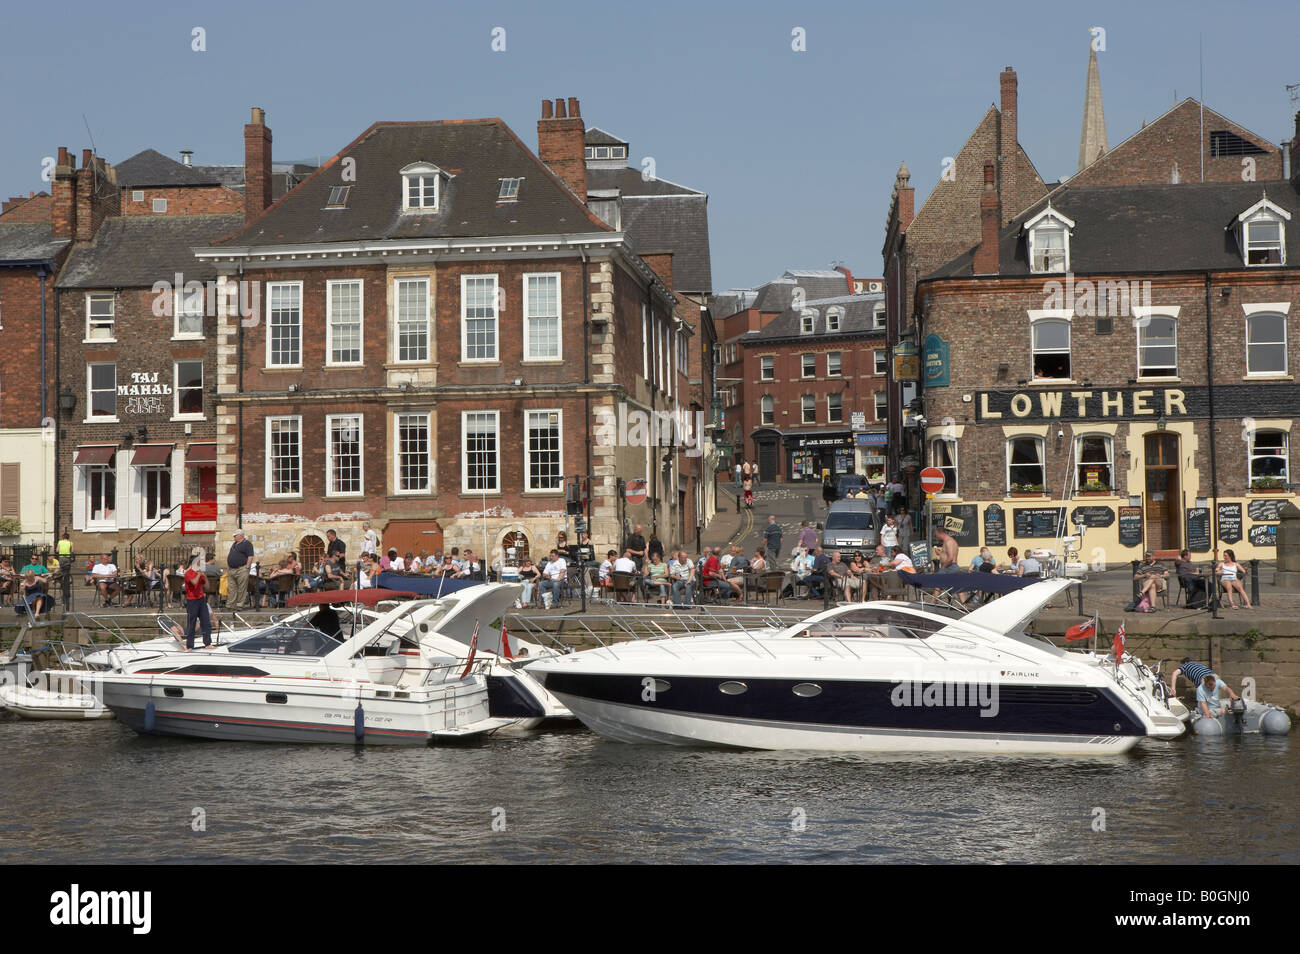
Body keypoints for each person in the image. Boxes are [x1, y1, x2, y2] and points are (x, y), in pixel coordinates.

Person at [182, 552, 213, 650]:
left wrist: (205, 576)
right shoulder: (188, 573)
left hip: (201, 599)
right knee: (192, 623)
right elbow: (194, 581)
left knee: (206, 622)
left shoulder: (199, 573)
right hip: (192, 601)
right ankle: (190, 645)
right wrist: (199, 574)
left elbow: (207, 587)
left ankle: (207, 643)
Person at [226, 528, 254, 610]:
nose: (234, 537)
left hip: (241, 568)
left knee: (242, 588)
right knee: (231, 588)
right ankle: (231, 604)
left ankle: (239, 605)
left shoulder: (247, 544)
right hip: (232, 569)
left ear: (240, 536)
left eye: (235, 535)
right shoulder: (234, 544)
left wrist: (247, 567)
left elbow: (250, 556)